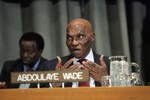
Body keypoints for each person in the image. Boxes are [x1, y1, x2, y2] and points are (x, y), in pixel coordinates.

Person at [45, 18, 110, 87]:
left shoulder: (109, 65)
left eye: (80, 36)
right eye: (69, 38)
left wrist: (106, 81)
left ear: (92, 37)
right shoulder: (51, 66)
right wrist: (55, 84)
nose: (74, 43)